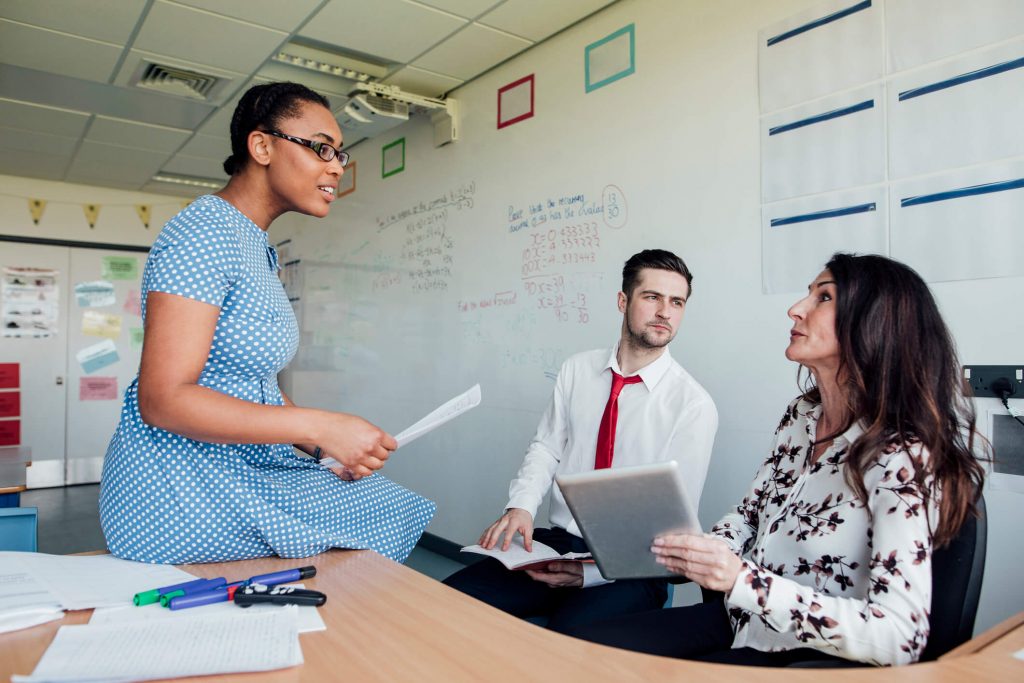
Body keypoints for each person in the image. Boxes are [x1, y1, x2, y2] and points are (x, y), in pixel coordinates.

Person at [568, 253, 987, 667]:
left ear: (875, 324)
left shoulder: (903, 457)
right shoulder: (801, 416)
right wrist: (698, 551)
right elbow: (749, 516)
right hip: (740, 621)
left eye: (824, 298)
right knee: (575, 652)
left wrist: (741, 580)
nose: (796, 309)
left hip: (808, 652)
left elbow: (898, 637)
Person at [99, 82, 435, 564]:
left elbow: (249, 381)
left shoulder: (254, 247)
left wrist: (319, 445)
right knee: (380, 516)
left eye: (339, 153)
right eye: (322, 148)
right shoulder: (202, 235)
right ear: (261, 146)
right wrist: (323, 423)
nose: (337, 166)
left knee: (387, 506)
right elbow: (163, 399)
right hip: (179, 488)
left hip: (235, 466)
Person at [443, 249, 718, 632]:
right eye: (652, 297)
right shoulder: (577, 370)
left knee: (567, 644)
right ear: (623, 301)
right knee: (450, 601)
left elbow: (671, 526)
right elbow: (547, 447)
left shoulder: (693, 405)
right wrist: (520, 507)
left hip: (631, 567)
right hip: (559, 542)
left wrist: (589, 575)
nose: (665, 312)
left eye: (677, 302)